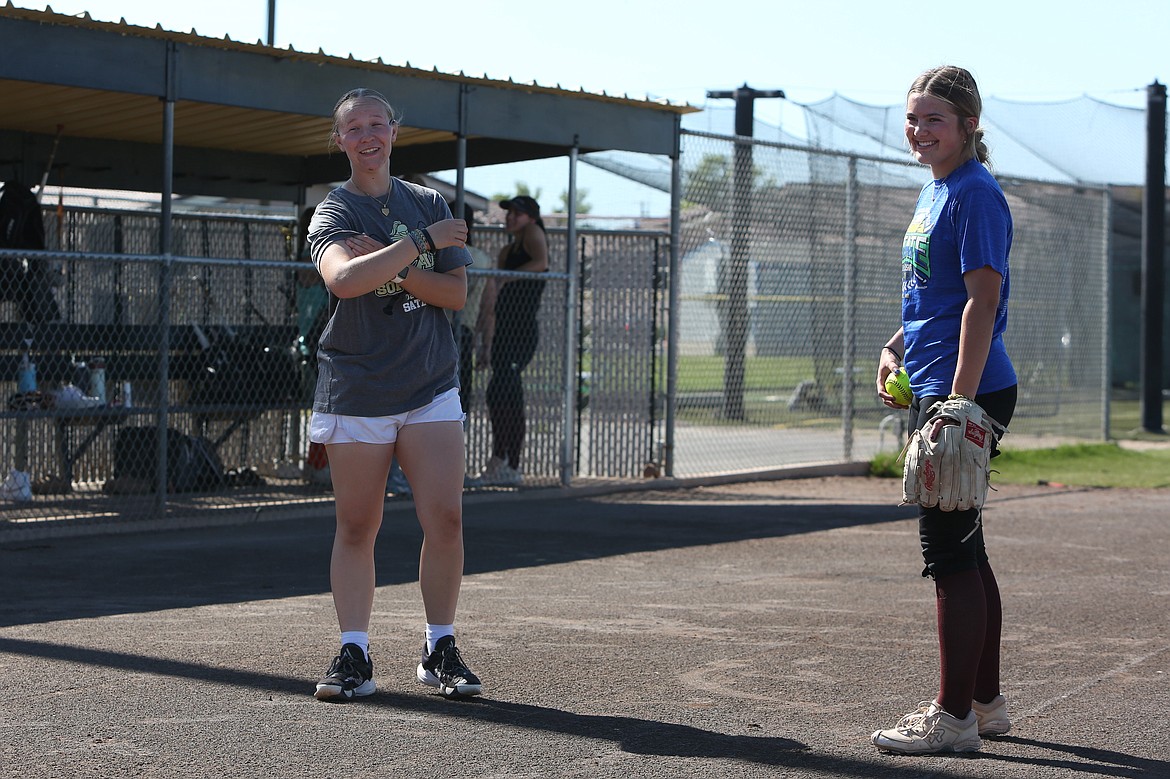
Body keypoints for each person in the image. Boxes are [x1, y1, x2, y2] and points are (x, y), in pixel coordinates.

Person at [306, 87, 481, 701]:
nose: (368, 135)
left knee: (448, 519)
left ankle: (441, 647)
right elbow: (346, 280)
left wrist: (400, 265)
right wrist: (417, 244)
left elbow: (456, 294)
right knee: (358, 524)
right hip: (359, 385)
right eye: (354, 128)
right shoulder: (333, 211)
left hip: (429, 382)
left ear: (394, 132)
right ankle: (354, 652)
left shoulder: (429, 201)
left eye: (377, 123)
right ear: (342, 142)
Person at [871, 66, 1018, 755]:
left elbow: (981, 302)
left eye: (934, 119)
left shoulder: (976, 192)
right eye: (912, 118)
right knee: (968, 549)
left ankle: (951, 715)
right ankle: (983, 703)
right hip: (938, 381)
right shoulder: (938, 189)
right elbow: (934, 294)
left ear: (968, 126)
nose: (919, 130)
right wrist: (895, 345)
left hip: (968, 389)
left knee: (949, 556)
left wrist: (956, 402)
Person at [471, 194, 549, 486]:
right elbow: (492, 298)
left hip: (522, 331)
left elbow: (541, 263)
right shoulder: (507, 251)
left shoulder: (533, 232)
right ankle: (499, 459)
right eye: (509, 213)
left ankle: (510, 464)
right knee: (497, 393)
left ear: (530, 217)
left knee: (509, 391)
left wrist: (507, 277)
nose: (511, 218)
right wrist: (486, 341)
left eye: (517, 213)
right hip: (503, 329)